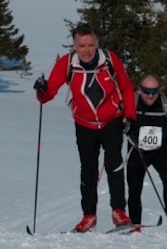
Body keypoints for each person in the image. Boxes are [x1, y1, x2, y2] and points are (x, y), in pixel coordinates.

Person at [34, 23, 137, 233]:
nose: (87, 49)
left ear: (97, 43)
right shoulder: (67, 64)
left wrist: (130, 116)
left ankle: (119, 211)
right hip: (85, 125)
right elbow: (48, 95)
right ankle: (89, 216)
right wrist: (41, 90)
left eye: (90, 44)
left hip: (112, 121)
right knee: (88, 170)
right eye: (81, 45)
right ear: (74, 45)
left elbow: (126, 88)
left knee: (114, 164)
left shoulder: (109, 59)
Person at [126, 75, 167, 232]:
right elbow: (117, 119)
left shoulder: (164, 102)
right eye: (147, 91)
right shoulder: (132, 101)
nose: (150, 95)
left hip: (160, 149)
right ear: (140, 90)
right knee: (134, 188)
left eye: (154, 91)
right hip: (137, 149)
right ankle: (135, 225)